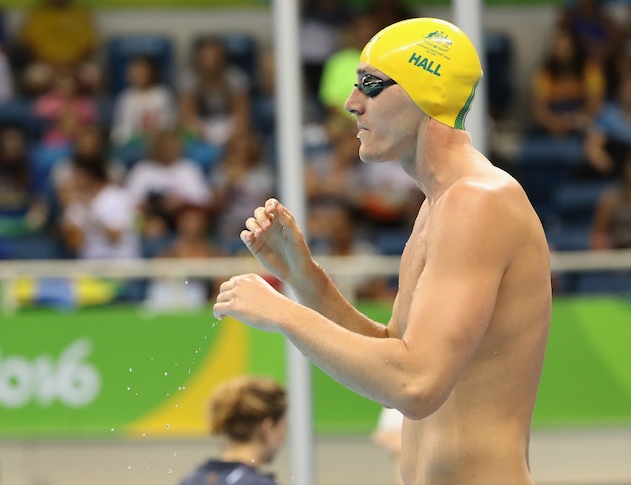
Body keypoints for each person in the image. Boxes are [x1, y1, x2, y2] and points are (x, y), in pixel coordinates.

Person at [213, 17, 552, 485]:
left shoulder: (478, 202)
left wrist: (281, 314)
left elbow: (416, 385)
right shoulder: (439, 207)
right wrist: (304, 280)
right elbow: (396, 359)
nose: (351, 104)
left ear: (425, 92)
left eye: (370, 85)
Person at [179, 375, 286, 485]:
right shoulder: (260, 483)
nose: (283, 437)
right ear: (268, 427)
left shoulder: (192, 480)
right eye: (283, 426)